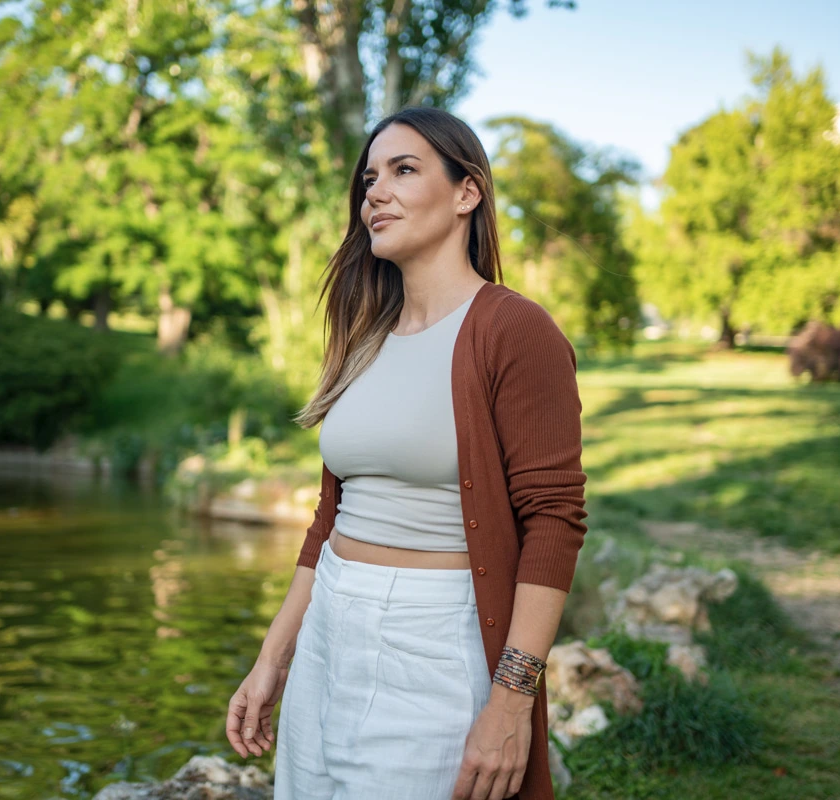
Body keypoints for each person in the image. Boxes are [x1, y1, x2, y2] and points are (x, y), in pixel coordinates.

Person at [225, 107, 589, 800]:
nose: (375, 194)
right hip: (330, 625)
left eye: (403, 170)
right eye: (369, 179)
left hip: (434, 640)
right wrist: (276, 656)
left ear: (466, 193)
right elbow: (330, 517)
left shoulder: (516, 331)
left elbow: (555, 520)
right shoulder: (363, 334)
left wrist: (512, 700)